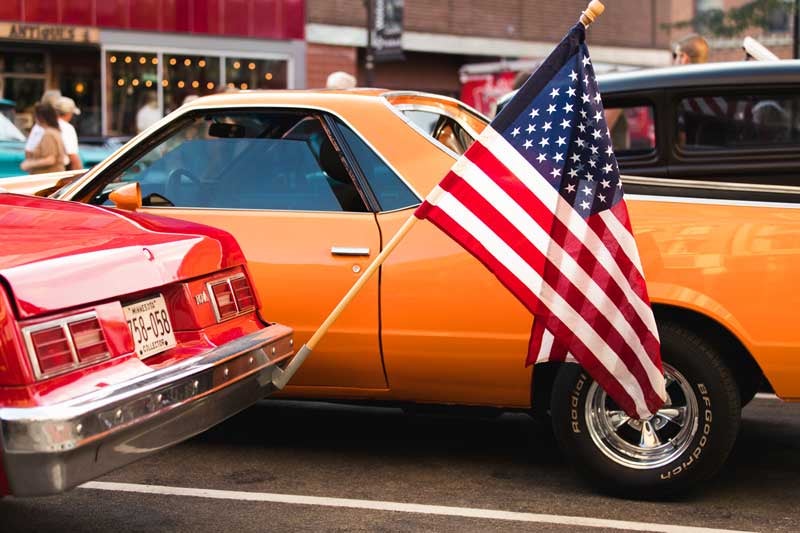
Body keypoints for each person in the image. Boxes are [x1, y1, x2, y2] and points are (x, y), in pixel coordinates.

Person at [20, 104, 66, 174]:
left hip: (48, 177)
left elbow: (50, 159)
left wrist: (29, 164)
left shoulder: (49, 134)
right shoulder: (55, 131)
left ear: (41, 117)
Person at [53, 96, 83, 170]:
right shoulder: (67, 128)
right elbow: (73, 156)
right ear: (69, 113)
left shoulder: (44, 126)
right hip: (60, 171)